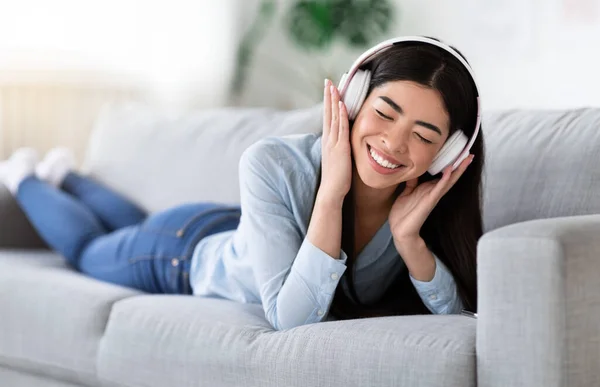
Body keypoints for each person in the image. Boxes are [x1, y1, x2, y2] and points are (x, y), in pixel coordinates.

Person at [0, 36, 484, 331]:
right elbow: (292, 318)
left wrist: (408, 240)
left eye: (424, 136)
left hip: (233, 231)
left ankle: (68, 175)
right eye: (384, 113)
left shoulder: (421, 203)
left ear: (445, 153)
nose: (396, 144)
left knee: (132, 226)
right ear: (354, 100)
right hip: (181, 254)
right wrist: (332, 192)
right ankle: (24, 175)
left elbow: (460, 317)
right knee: (89, 250)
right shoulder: (273, 161)